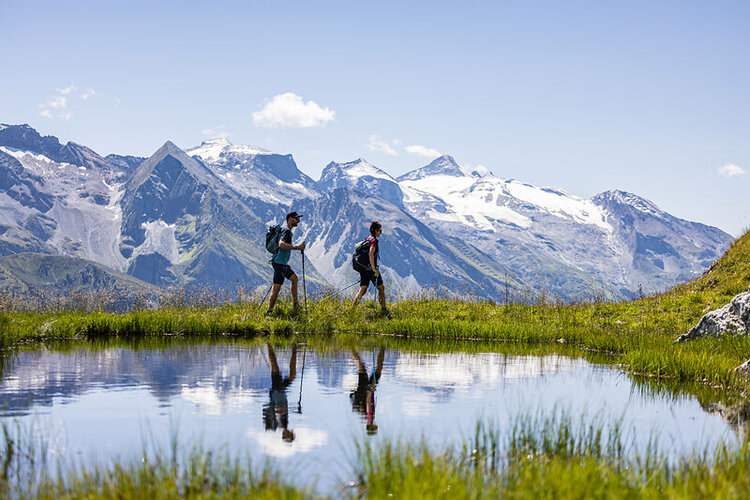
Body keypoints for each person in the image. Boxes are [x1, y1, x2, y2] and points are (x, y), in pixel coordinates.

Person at [267, 211, 306, 315]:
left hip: (281, 263)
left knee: (294, 278)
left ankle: (295, 304)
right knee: (276, 288)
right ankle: (269, 312)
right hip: (279, 263)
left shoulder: (285, 230)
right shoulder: (287, 231)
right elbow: (281, 244)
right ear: (290, 219)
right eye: (296, 218)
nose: (298, 220)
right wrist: (297, 248)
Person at [352, 220, 389, 317]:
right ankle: (384, 310)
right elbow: (371, 253)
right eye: (380, 231)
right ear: (376, 231)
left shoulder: (368, 239)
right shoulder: (374, 241)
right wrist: (374, 268)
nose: (381, 233)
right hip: (371, 269)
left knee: (363, 289)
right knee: (381, 288)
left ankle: (352, 310)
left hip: (364, 269)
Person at [262, 343, 298, 442]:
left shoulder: (281, 424)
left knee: (275, 367)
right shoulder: (283, 424)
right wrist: (295, 408)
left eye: (290, 435)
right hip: (280, 391)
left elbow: (279, 410)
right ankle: (294, 349)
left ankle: (269, 344)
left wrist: (294, 408)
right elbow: (282, 410)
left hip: (277, 391)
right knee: (291, 375)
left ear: (286, 434)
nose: (292, 432)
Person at [350, 348, 385, 435]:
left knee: (376, 369)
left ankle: (383, 347)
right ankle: (351, 348)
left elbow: (369, 404)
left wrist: (370, 391)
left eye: (373, 426)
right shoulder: (365, 418)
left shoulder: (369, 418)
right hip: (363, 390)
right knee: (362, 368)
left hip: (367, 389)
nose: (374, 425)